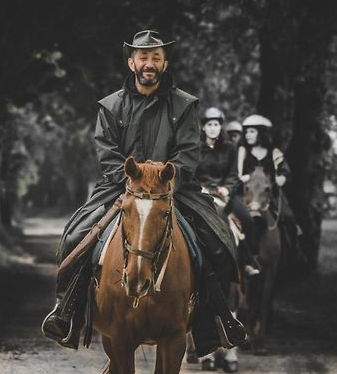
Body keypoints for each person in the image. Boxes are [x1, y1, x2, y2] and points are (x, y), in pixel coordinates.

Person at [41, 30, 247, 354]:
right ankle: (66, 312)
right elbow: (106, 152)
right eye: (143, 57)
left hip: (173, 189)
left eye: (156, 58)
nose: (149, 63)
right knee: (75, 236)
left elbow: (189, 151)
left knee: (218, 243)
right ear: (131, 62)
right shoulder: (110, 106)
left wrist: (167, 179)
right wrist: (130, 182)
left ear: (165, 64)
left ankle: (217, 319)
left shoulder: (185, 104)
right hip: (120, 188)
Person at [196, 108, 260, 276]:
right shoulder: (194, 148)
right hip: (200, 193)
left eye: (216, 124)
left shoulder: (230, 148)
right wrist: (200, 187)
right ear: (203, 127)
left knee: (247, 220)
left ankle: (247, 261)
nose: (213, 128)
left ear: (220, 126)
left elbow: (233, 174)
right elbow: (190, 173)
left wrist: (227, 188)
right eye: (209, 124)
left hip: (225, 194)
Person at [239, 114, 303, 269]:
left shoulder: (274, 153)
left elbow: (284, 170)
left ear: (261, 133)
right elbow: (238, 173)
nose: (248, 135)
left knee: (289, 218)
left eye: (252, 131)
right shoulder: (243, 153)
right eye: (246, 132)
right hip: (248, 195)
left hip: (271, 195)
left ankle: (294, 253)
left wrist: (281, 177)